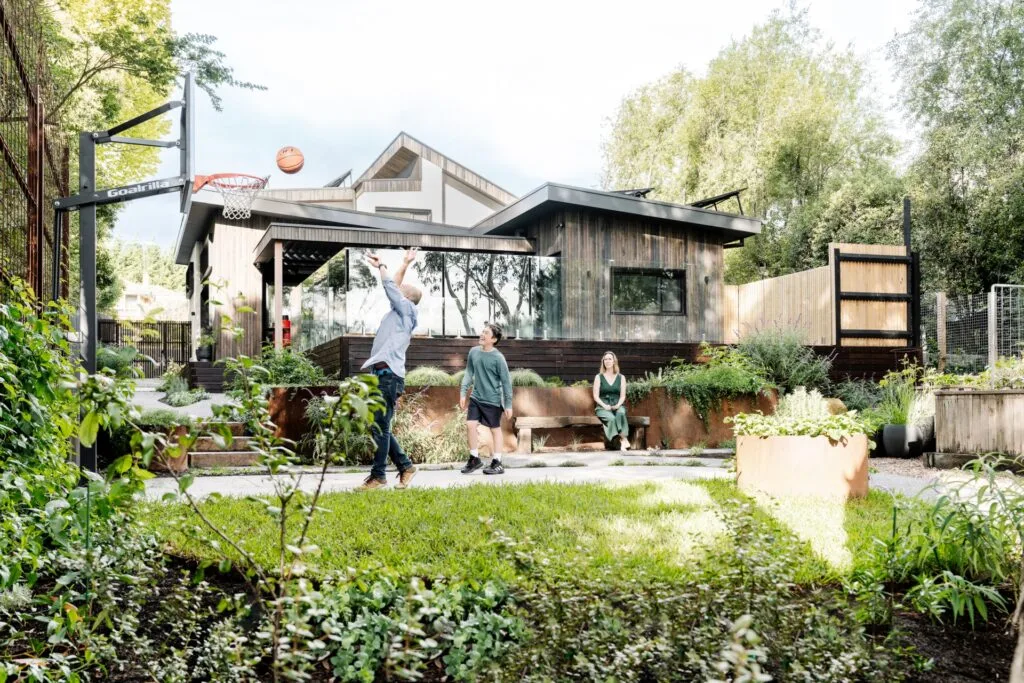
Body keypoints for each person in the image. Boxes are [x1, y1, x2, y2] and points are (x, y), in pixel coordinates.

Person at [354, 249, 422, 491]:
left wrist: (382, 265)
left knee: (380, 427)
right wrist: (404, 263)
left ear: (406, 298)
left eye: (400, 290)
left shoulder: (407, 311)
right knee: (379, 426)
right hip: (382, 376)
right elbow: (396, 285)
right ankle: (405, 467)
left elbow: (392, 287)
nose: (396, 287)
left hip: (389, 377)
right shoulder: (398, 312)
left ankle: (379, 475)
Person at [459, 322, 513, 475]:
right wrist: (463, 392)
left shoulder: (498, 358)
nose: (482, 335)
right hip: (476, 397)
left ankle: (498, 462)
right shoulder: (473, 352)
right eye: (482, 332)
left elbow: (506, 382)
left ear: (494, 339)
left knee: (494, 429)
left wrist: (508, 405)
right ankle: (474, 458)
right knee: (470, 424)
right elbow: (469, 372)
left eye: (486, 333)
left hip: (492, 400)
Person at [593, 351, 630, 450]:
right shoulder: (598, 377)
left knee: (621, 413)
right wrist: (604, 405)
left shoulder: (621, 377)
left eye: (610, 359)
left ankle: (622, 440)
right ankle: (623, 439)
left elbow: (622, 396)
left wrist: (618, 405)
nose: (607, 361)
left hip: (617, 404)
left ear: (614, 361)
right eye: (605, 359)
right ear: (603, 362)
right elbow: (595, 396)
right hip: (602, 406)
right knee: (612, 419)